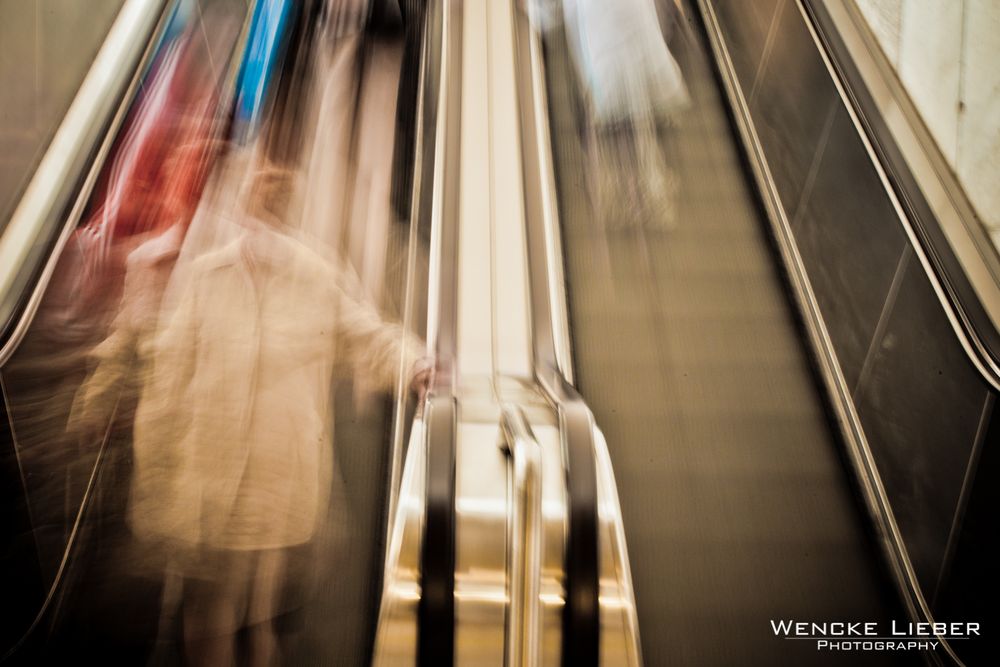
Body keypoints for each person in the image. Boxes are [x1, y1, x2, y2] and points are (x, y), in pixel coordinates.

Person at [122, 162, 430, 666]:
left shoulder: (314, 275)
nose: (263, 227)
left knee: (254, 615)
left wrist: (415, 362)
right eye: (257, 213)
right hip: (210, 483)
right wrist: (156, 480)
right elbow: (169, 378)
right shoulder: (206, 276)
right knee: (213, 612)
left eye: (273, 213)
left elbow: (367, 335)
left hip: (274, 484)